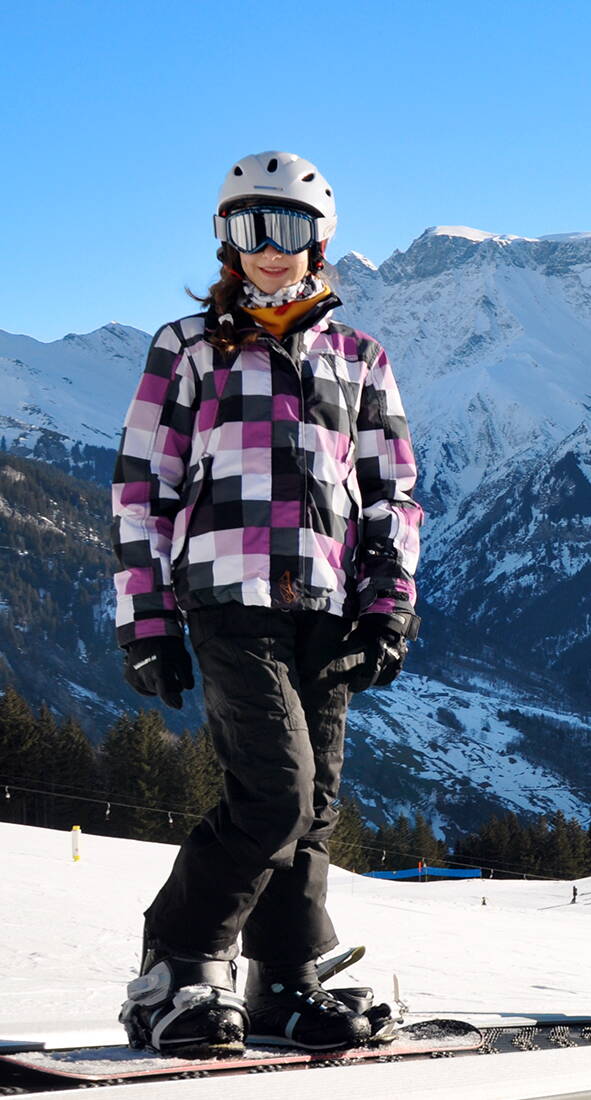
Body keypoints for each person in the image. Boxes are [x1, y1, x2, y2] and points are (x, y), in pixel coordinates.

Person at [112, 152, 422, 1057]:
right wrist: (147, 617)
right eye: (251, 229)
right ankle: (176, 964)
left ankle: (284, 973)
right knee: (275, 793)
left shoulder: (360, 358)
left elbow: (391, 495)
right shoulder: (189, 348)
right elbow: (142, 490)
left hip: (326, 602)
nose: (271, 250)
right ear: (226, 239)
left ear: (320, 240)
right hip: (225, 592)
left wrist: (386, 609)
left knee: (316, 802)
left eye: (288, 229)